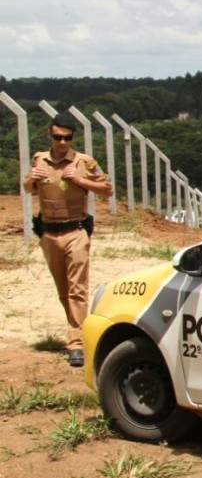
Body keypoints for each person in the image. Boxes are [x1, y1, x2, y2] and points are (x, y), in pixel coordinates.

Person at [22, 113, 114, 367]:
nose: (62, 142)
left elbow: (107, 189)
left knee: (77, 288)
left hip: (76, 231)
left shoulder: (84, 162)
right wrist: (31, 178)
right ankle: (77, 330)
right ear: (49, 136)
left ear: (73, 138)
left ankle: (77, 343)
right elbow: (28, 189)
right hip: (49, 233)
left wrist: (79, 180)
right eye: (58, 137)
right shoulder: (40, 159)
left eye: (67, 138)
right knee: (63, 290)